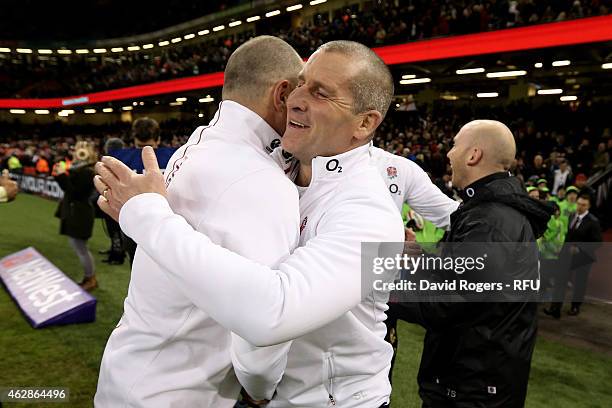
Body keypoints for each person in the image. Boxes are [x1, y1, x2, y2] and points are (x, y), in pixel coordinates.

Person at [95, 40, 405, 407]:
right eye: (300, 83)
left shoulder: (370, 215)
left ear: (365, 122)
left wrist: (145, 216)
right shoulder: (277, 172)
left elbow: (271, 316)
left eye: (320, 93)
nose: (296, 99)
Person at [94, 36, 305, 408]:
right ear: (282, 94)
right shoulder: (259, 179)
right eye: (303, 94)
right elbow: (263, 323)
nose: (306, 108)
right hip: (179, 392)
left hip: (135, 368)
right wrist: (261, 389)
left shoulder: (197, 144)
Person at [396, 120, 552, 407]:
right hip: (479, 379)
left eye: (454, 145)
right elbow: (468, 279)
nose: (448, 154)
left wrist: (376, 281)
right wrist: (417, 258)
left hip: (471, 386)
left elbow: (448, 301)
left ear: (473, 155)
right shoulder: (493, 211)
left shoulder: (490, 220)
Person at [108, 117, 176, 265]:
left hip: (133, 226)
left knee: (138, 271)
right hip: (167, 226)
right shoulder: (175, 157)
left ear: (134, 138)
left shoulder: (120, 159)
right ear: (158, 138)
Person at [545, 194, 602, 318]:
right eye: (579, 204)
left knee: (580, 282)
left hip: (584, 257)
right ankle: (555, 308)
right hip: (567, 255)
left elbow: (597, 242)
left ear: (589, 206)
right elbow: (568, 236)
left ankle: (575, 306)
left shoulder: (593, 222)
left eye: (583, 205)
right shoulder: (571, 216)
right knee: (560, 280)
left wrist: (579, 248)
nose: (580, 207)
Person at [54, 141, 98, 291]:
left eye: (84, 149)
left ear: (90, 152)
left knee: (80, 248)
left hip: (80, 214)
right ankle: (89, 277)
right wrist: (62, 174)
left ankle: (90, 278)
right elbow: (69, 190)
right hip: (76, 212)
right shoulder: (77, 168)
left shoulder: (87, 171)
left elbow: (75, 193)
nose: (81, 151)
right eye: (78, 148)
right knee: (79, 246)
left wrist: (61, 177)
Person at [99, 138, 126, 265]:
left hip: (115, 200)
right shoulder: (122, 161)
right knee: (113, 230)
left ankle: (117, 255)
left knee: (115, 231)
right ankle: (114, 250)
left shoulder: (114, 163)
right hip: (114, 198)